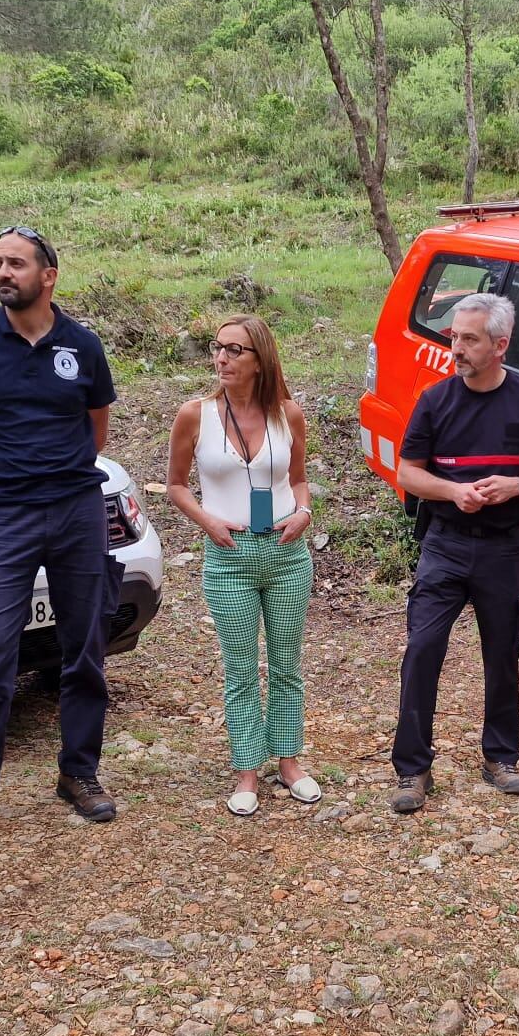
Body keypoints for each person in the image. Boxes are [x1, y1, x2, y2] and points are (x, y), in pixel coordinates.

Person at [0, 226, 121, 858]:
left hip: (76, 513)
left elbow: (95, 433)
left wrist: (56, 474)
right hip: (4, 517)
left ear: (49, 275)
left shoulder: (82, 347)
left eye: (16, 263)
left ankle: (78, 772)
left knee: (84, 649)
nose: (3, 272)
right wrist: (8, 470)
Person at [389, 293, 519, 812]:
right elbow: (408, 473)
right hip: (444, 544)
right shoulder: (435, 399)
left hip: (504, 548)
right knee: (422, 650)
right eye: (454, 337)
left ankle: (501, 756)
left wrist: (518, 485)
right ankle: (411, 769)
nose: (457, 348)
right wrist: (453, 492)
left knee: (503, 653)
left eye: (469, 339)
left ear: (500, 345)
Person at [165, 317, 318, 816]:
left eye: (236, 350)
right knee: (239, 668)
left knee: (286, 662)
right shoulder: (196, 414)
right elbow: (176, 486)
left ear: (260, 360)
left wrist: (303, 512)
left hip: (285, 551)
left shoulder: (287, 414)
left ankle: (289, 761)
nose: (223, 358)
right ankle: (247, 768)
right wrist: (207, 521)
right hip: (229, 555)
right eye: (219, 348)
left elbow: (298, 480)